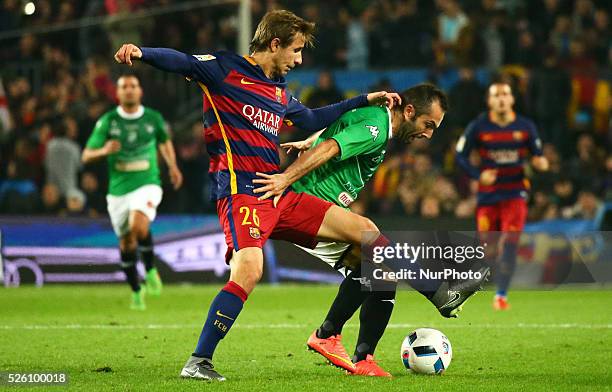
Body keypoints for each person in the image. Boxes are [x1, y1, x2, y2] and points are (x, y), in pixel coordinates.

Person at [113, 9, 400, 381]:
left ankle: (333, 335)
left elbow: (312, 120)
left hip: (278, 191)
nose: (298, 61)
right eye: (295, 51)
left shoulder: (279, 91)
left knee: (368, 234)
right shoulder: (224, 69)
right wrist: (142, 53)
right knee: (250, 268)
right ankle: (198, 361)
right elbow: (181, 60)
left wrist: (362, 100)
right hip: (241, 192)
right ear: (274, 44)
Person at [254, 84, 489, 376]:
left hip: (322, 208)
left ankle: (360, 356)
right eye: (428, 124)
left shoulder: (375, 119)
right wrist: (284, 179)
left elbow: (337, 131)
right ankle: (440, 293)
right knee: (372, 235)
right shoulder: (375, 126)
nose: (428, 135)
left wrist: (311, 140)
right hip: (308, 203)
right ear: (409, 111)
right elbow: (332, 147)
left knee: (380, 271)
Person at [82, 74, 183, 310]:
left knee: (138, 226)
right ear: (117, 94)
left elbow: (164, 141)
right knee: (126, 243)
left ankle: (150, 270)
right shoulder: (108, 121)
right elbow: (86, 155)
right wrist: (104, 150)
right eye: (124, 87)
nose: (129, 90)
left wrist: (172, 166)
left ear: (140, 92)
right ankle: (136, 291)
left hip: (148, 182)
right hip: (118, 191)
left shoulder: (153, 118)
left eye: (133, 86)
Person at [456, 81, 549, 311]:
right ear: (489, 101)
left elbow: (539, 156)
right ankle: (475, 285)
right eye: (496, 95)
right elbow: (460, 155)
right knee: (487, 248)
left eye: (505, 94)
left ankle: (501, 294)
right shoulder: (479, 126)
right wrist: (477, 176)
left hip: (515, 193)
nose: (501, 99)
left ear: (512, 99)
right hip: (488, 196)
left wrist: (541, 163)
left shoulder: (525, 126)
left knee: (510, 241)